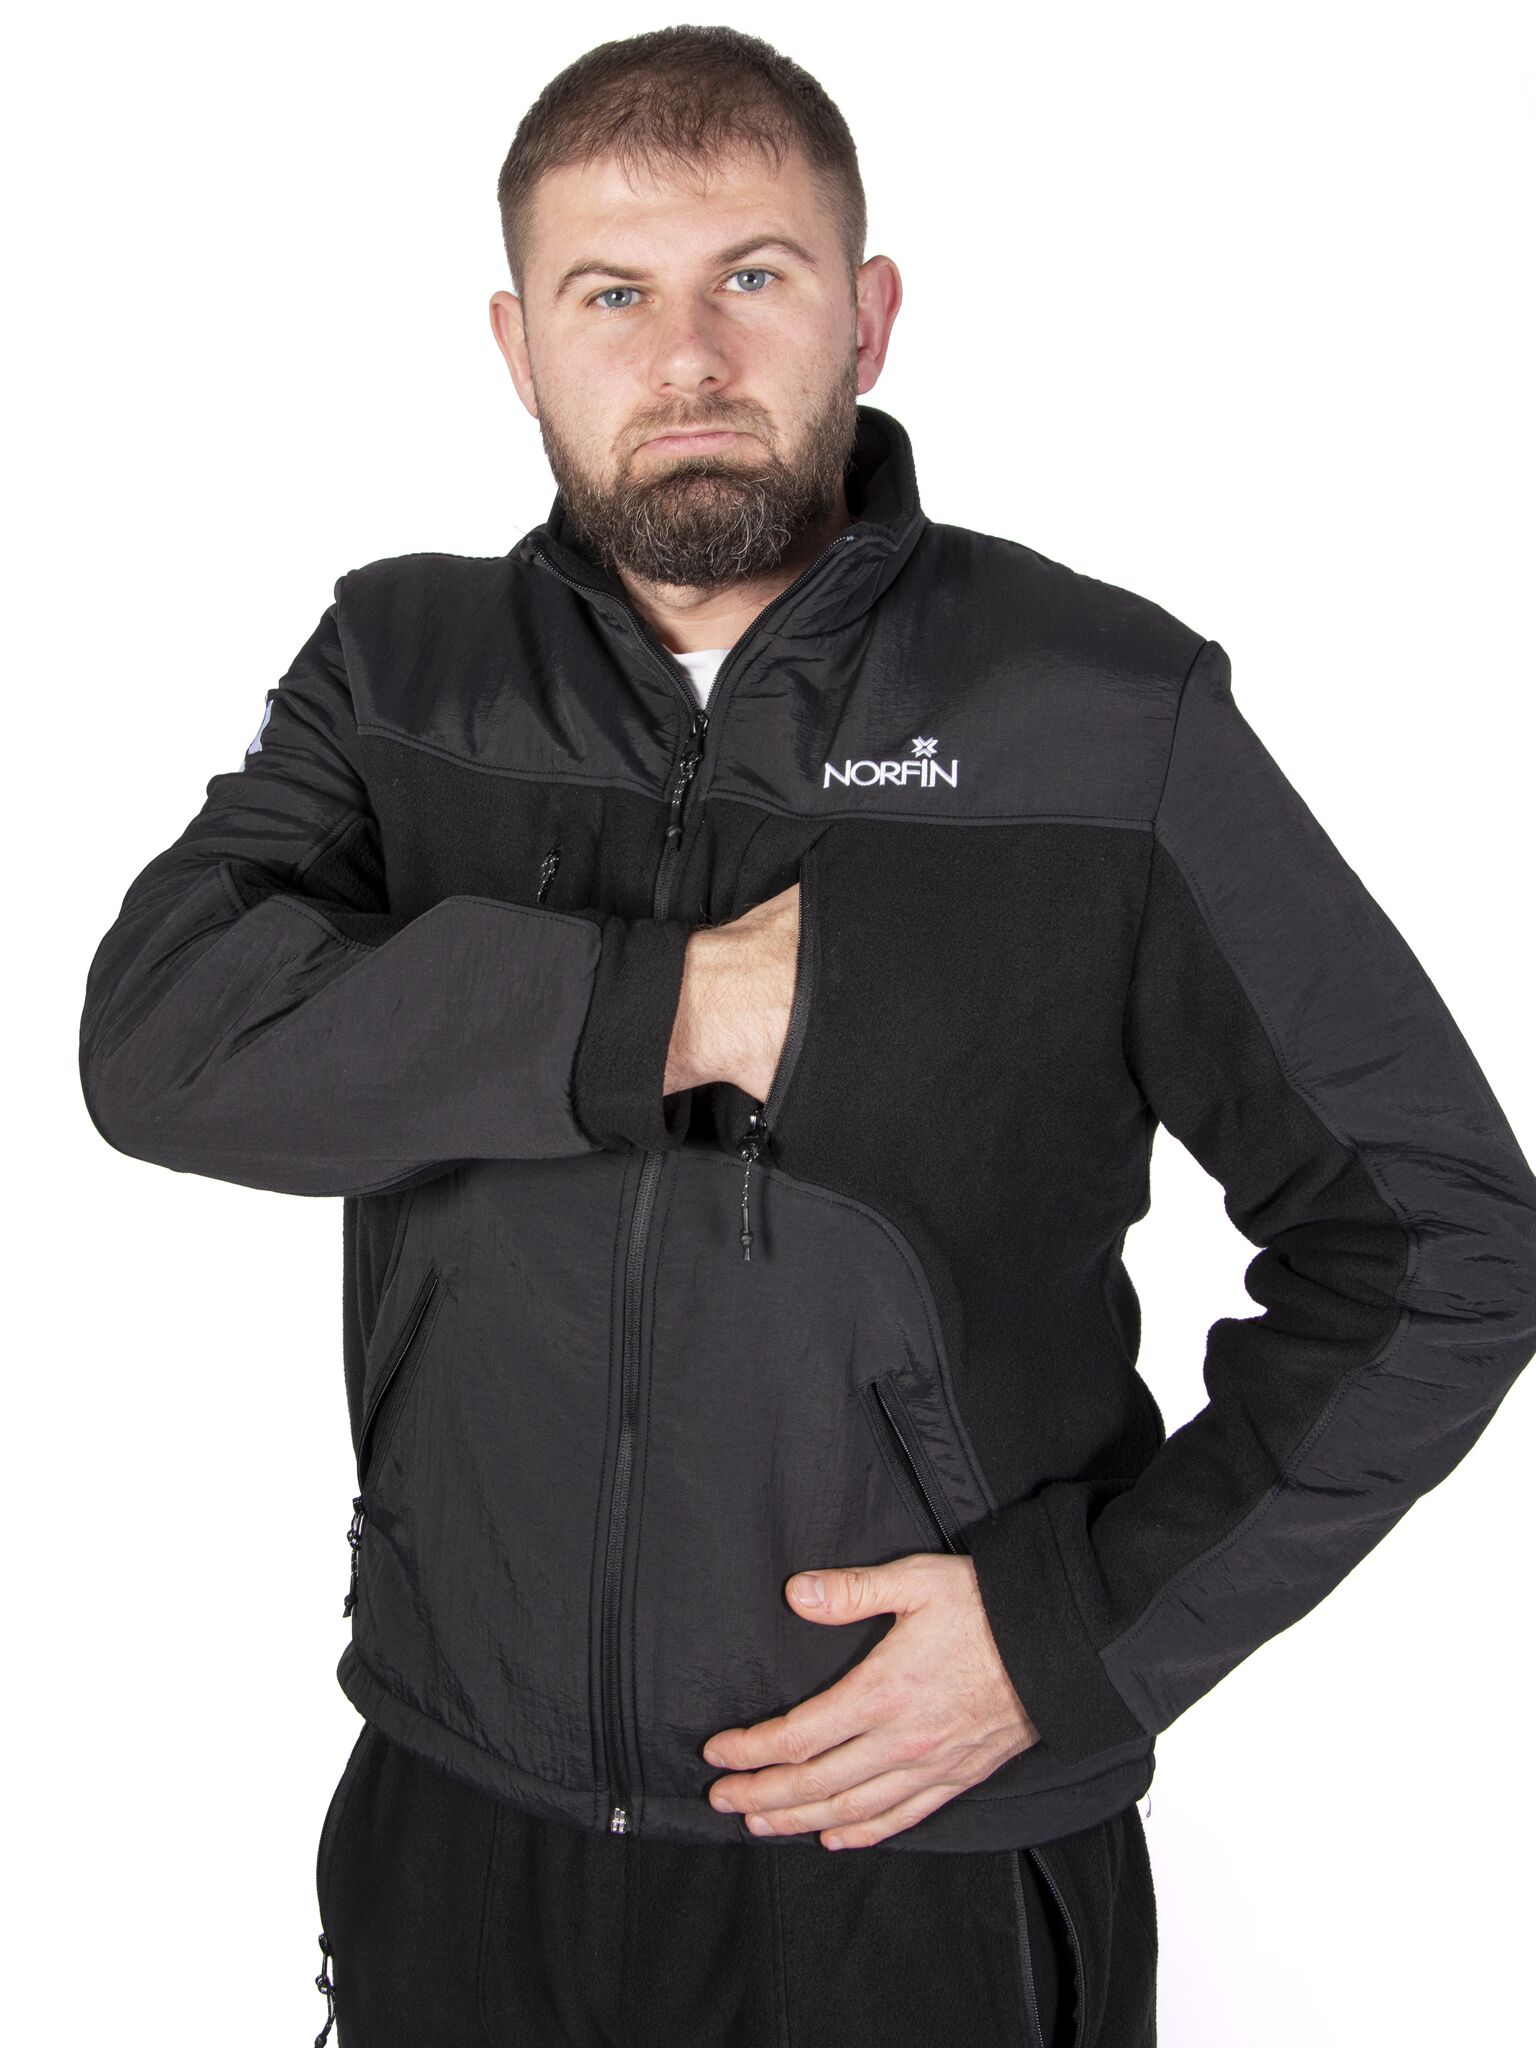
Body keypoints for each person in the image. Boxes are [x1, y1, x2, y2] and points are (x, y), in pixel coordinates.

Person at [76, 26, 1536, 2048]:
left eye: (751, 276)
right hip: (457, 1833)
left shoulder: (1102, 715)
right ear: (517, 345)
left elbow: (1444, 1237)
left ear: (867, 314)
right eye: (611, 294)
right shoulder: (397, 671)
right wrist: (664, 1003)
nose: (686, 356)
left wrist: (1075, 1639)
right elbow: (159, 1041)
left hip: (905, 1869)